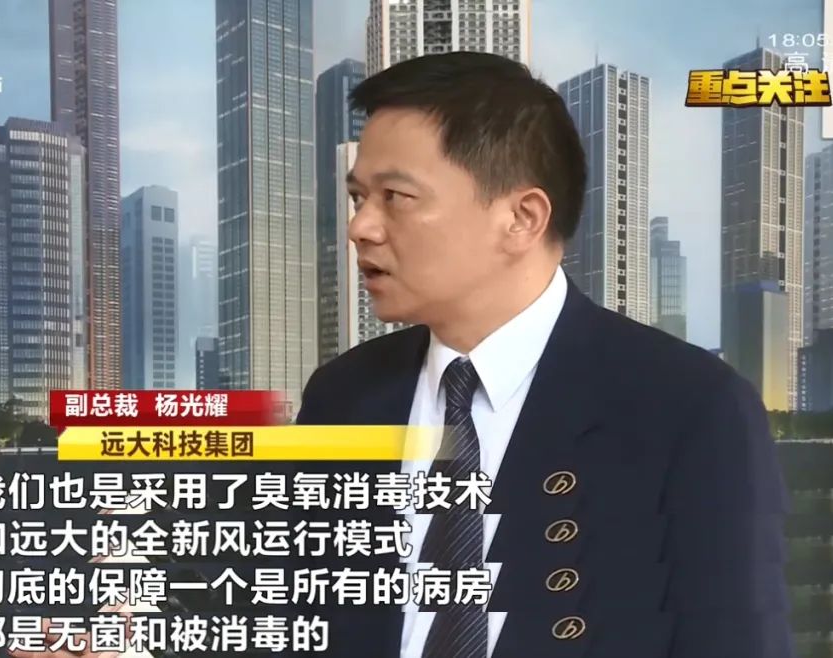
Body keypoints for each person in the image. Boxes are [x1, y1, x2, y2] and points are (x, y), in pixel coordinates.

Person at [294, 52, 792, 657]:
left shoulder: (688, 407)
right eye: (358, 198)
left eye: (395, 197)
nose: (361, 227)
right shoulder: (343, 396)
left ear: (522, 218)